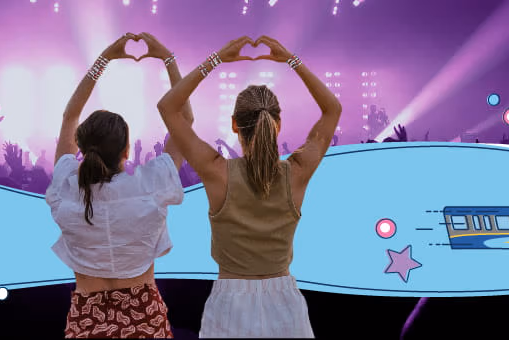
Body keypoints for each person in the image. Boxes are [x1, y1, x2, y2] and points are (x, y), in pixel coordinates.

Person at [158, 35, 342, 338]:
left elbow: (168, 107)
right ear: (278, 124)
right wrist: (291, 60)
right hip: (285, 306)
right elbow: (332, 109)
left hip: (230, 304)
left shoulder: (217, 171)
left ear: (234, 124)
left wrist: (216, 59)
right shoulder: (297, 172)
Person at [45, 32, 193, 339]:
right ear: (127, 150)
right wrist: (168, 59)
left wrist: (105, 59)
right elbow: (185, 119)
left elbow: (70, 115)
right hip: (145, 317)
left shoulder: (66, 190)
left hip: (87, 319)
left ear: (81, 148)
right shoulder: (152, 186)